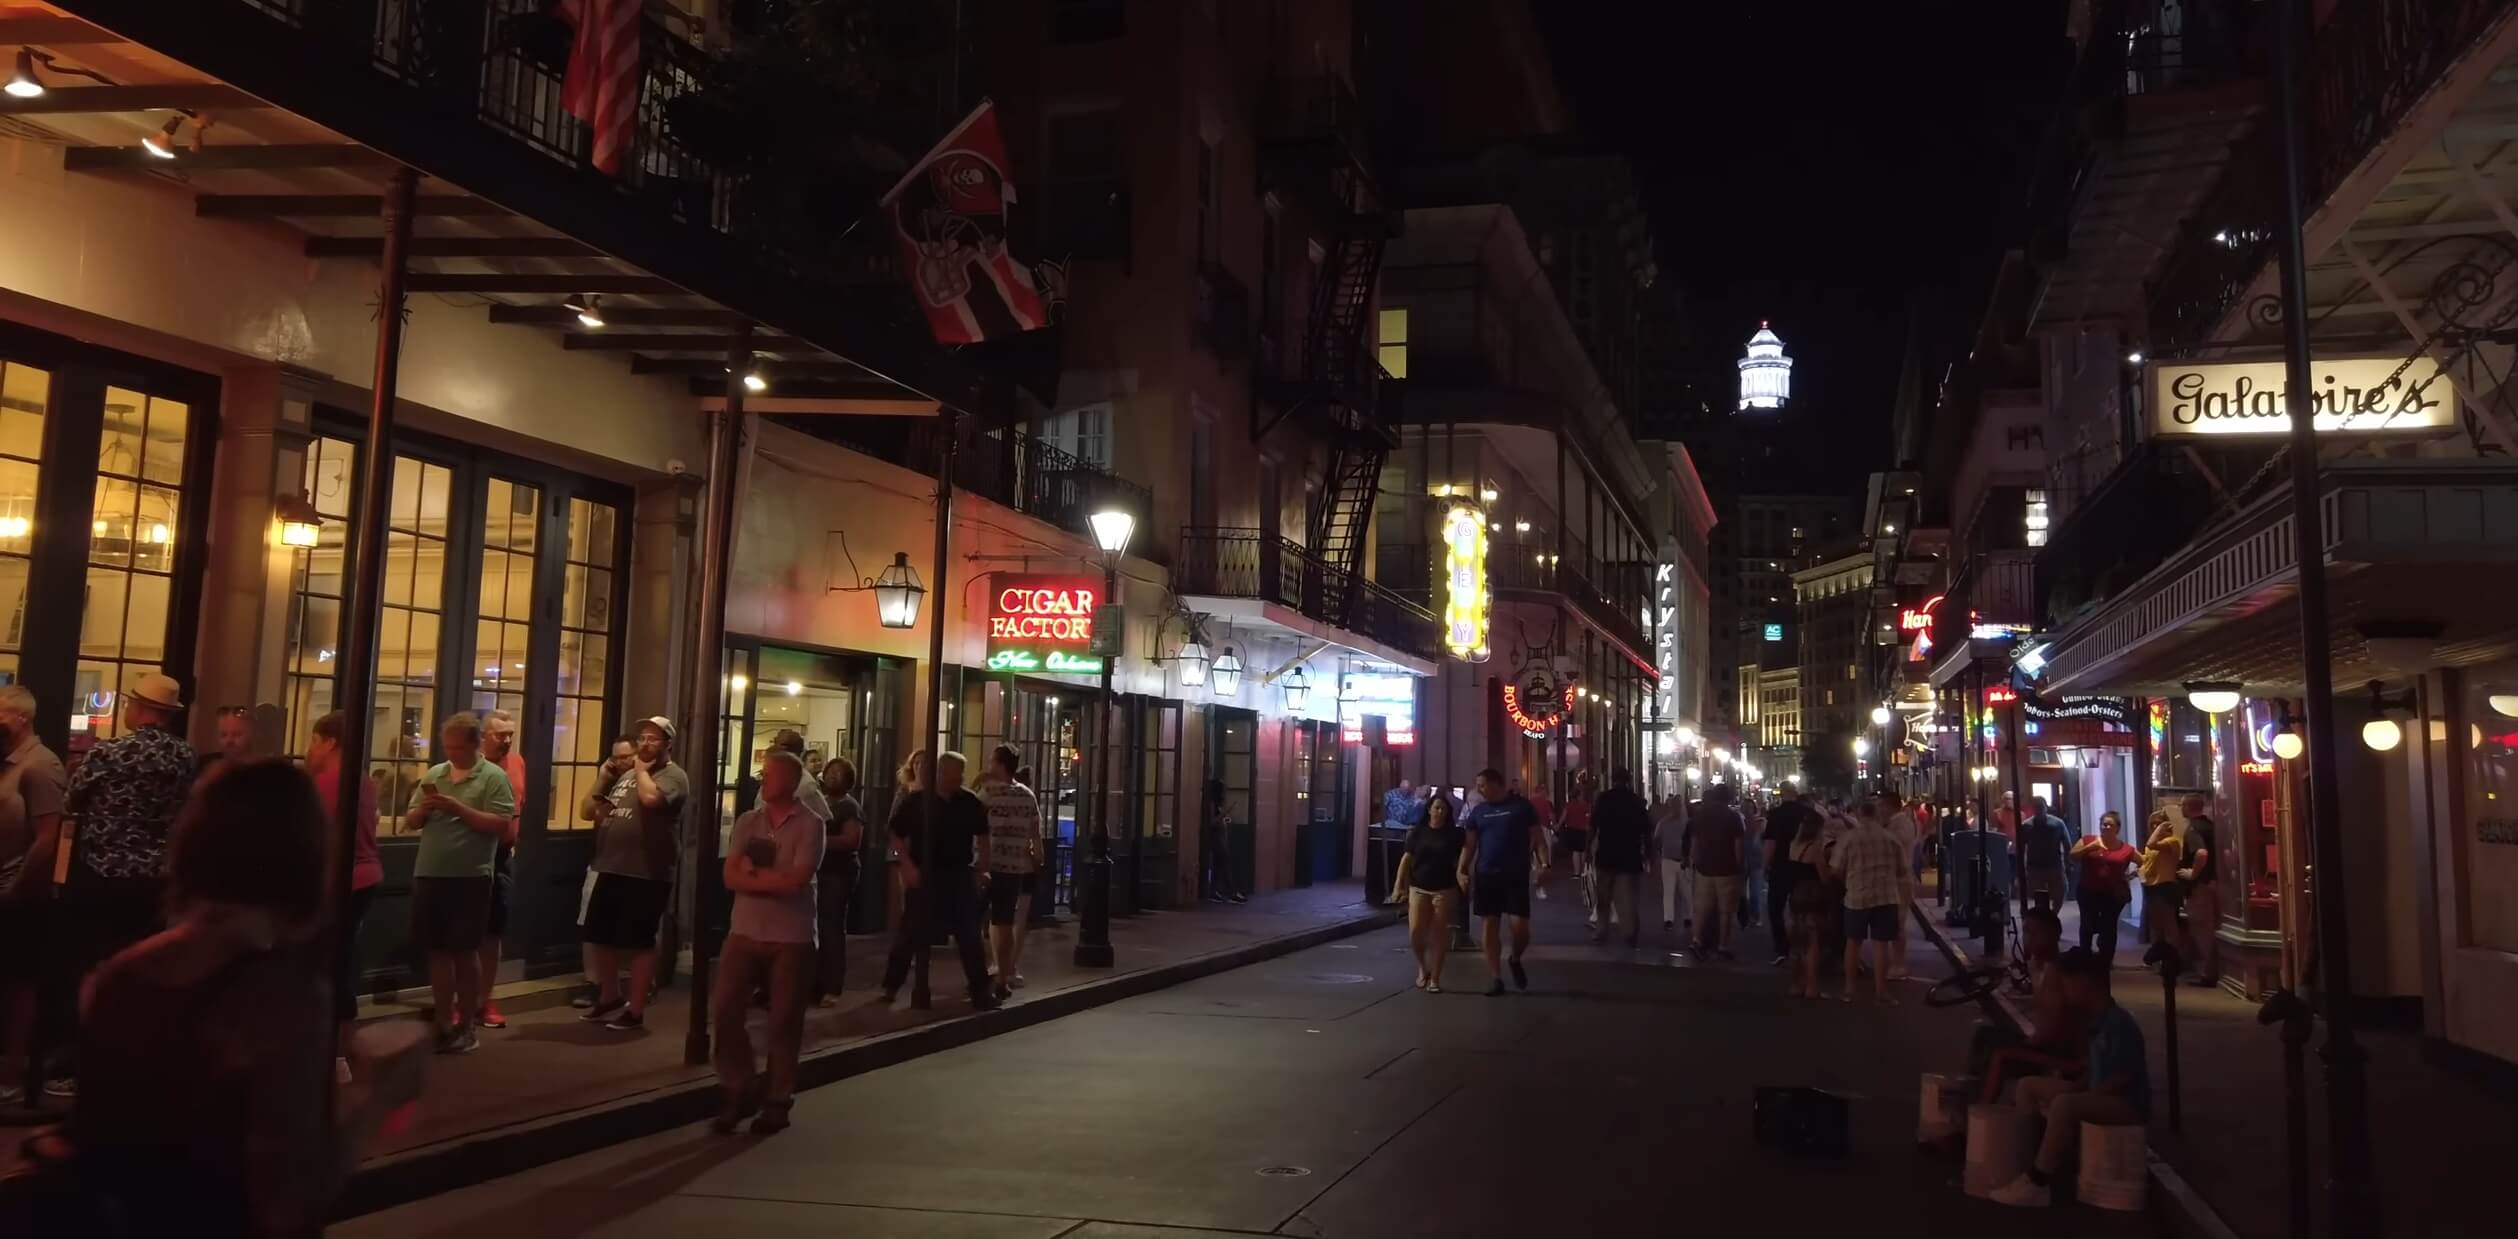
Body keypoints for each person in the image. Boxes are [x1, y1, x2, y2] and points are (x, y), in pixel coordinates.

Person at [50, 759, 423, 1236]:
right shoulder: (281, 996)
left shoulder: (122, 976)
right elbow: (288, 1195)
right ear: (305, 858)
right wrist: (375, 1095)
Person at [52, 673, 197, 1095]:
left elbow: (71, 801)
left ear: (140, 708)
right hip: (155, 881)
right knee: (146, 971)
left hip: (103, 876)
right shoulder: (185, 757)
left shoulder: (110, 753)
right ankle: (137, 1063)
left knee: (95, 970)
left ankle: (85, 1064)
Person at [711, 749, 824, 1135]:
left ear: (791, 782)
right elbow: (730, 877)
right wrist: (769, 880)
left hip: (790, 937)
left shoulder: (811, 825)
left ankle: (777, 1099)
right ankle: (738, 1085)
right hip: (743, 931)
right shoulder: (747, 821)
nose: (764, 779)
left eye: (771, 774)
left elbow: (798, 880)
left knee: (784, 1021)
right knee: (725, 1011)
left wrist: (754, 877)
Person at [1990, 948, 2151, 1207]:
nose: (2064, 992)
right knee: (2029, 1086)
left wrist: (2079, 1095)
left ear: (2085, 983)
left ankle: (2039, 1182)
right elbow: (2096, 1070)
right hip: (2101, 1093)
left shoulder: (2119, 1023)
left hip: (2126, 1103)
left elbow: (2121, 1079)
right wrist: (2076, 1086)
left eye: (2068, 984)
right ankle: (2025, 1161)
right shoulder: (2094, 1021)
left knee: (2065, 1105)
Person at [403, 712, 515, 1054]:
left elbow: (500, 824)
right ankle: (443, 1022)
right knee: (437, 952)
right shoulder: (436, 774)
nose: (451, 754)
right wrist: (423, 810)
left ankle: (467, 1023)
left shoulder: (493, 777)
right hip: (430, 872)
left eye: (457, 748)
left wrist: (457, 808)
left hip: (470, 877)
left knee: (465, 953)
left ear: (474, 744)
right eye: (446, 747)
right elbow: (410, 819)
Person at [578, 716, 687, 1032]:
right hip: (611, 865)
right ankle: (609, 995)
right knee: (599, 935)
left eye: (654, 738)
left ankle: (636, 1009)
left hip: (647, 872)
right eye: (643, 737)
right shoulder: (624, 776)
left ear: (667, 743)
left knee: (639, 941)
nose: (645, 743)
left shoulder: (673, 775)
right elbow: (588, 811)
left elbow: (651, 799)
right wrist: (602, 779)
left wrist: (640, 771)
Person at [881, 751, 997, 1009]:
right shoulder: (917, 801)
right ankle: (891, 985)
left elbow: (983, 835)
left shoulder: (969, 801)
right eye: (957, 772)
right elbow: (895, 832)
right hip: (926, 872)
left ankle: (980, 991)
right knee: (910, 931)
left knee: (968, 933)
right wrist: (907, 865)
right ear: (942, 773)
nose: (961, 778)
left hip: (958, 873)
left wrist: (982, 868)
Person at [0, 686, 66, 1105]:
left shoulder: (40, 765)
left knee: (19, 983)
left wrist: (19, 887)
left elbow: (49, 837)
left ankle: (12, 1077)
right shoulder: (7, 762)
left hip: (18, 893)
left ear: (22, 718)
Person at [307, 711, 379, 1086]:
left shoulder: (327, 784)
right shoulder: (363, 781)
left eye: (314, 740)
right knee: (344, 963)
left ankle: (330, 1056)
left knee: (326, 967)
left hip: (339, 884)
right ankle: (340, 1053)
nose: (310, 749)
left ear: (329, 742)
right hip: (366, 878)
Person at [1973, 906, 2079, 1105]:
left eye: (2034, 931)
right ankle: (1973, 1098)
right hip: (2044, 1042)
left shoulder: (2059, 970)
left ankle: (1981, 1107)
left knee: (1998, 1052)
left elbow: (2057, 1023)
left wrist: (2036, 1039)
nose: (2027, 938)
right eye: (2025, 931)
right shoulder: (2035, 966)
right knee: (1985, 1036)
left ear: (2054, 935)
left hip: (2059, 1050)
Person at [1459, 768, 1545, 996]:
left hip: (1515, 874)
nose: (1479, 789)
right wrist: (1461, 869)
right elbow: (1470, 845)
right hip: (1487, 875)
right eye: (1478, 785)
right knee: (1490, 924)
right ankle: (1496, 977)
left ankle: (1515, 957)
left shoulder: (1521, 807)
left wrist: (1544, 865)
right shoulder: (1478, 812)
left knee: (1520, 928)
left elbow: (1537, 837)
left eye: (1482, 784)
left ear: (1497, 784)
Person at [572, 737, 637, 1010]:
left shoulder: (642, 782)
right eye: (617, 757)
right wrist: (601, 779)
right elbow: (586, 811)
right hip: (600, 861)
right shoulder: (610, 782)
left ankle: (637, 981)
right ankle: (594, 983)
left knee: (632, 925)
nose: (622, 762)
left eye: (626, 756)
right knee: (591, 922)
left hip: (632, 865)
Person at [473, 708, 527, 1031]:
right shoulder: (473, 765)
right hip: (473, 854)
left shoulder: (517, 762)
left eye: (510, 734)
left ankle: (484, 1000)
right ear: (483, 737)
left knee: (493, 933)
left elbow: (521, 805)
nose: (507, 740)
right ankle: (459, 1001)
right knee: (464, 934)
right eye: (500, 734)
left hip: (503, 857)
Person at [979, 745, 1042, 1001]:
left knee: (972, 922)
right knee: (1004, 923)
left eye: (992, 761)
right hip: (1013, 867)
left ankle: (981, 976)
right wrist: (1038, 861)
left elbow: (974, 827)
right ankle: (1003, 977)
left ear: (1000, 764)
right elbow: (1035, 836)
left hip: (987, 866)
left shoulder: (987, 794)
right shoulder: (1028, 796)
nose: (988, 765)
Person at [1389, 792, 1466, 991]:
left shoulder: (1454, 834)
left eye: (1443, 809)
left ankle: (1436, 979)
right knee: (1415, 932)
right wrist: (1399, 884)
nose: (1439, 812)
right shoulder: (1417, 832)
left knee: (1438, 934)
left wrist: (1464, 876)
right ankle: (1423, 967)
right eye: (1436, 807)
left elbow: (1464, 857)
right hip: (1418, 888)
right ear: (1429, 809)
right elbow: (1406, 859)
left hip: (1444, 889)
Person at [1836, 795, 1907, 1005]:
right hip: (1886, 896)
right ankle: (1881, 991)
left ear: (1859, 814)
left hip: (1857, 895)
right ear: (1876, 815)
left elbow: (1836, 868)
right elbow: (1902, 869)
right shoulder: (1890, 838)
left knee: (1853, 943)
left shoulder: (1849, 838)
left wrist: (1850, 879)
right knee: (1881, 945)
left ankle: (1849, 990)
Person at [812, 756, 865, 1005]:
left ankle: (832, 986)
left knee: (831, 927)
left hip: (838, 872)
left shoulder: (849, 806)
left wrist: (818, 841)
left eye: (839, 773)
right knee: (816, 927)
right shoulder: (818, 800)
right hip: (818, 871)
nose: (832, 776)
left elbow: (851, 841)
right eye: (830, 771)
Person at [1587, 768, 1650, 947]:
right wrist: (1648, 854)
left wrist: (1587, 850)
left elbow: (1593, 826)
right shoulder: (1636, 801)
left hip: (1606, 854)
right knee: (1627, 898)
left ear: (1612, 779)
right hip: (1629, 856)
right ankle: (1629, 932)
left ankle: (1601, 929)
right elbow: (1646, 830)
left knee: (1603, 897)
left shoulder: (1604, 799)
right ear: (1628, 780)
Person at [2070, 811, 2140, 968]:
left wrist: (2132, 875)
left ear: (2117, 828)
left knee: (2109, 926)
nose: (2106, 827)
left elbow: (2145, 862)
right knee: (2087, 923)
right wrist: (2089, 848)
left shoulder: (2126, 849)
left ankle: (2106, 959)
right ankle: (2085, 957)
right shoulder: (2088, 840)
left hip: (2113, 893)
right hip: (2088, 890)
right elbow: (2072, 855)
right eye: (2104, 824)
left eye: (2110, 824)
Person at [1761, 782, 1819, 965]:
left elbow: (1771, 844)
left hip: (1780, 867)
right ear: (1795, 793)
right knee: (1802, 911)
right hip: (1804, 867)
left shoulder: (1776, 815)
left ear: (1782, 794)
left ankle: (1782, 948)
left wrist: (1765, 865)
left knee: (1775, 908)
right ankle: (1805, 947)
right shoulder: (1808, 814)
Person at [1686, 784, 1747, 959]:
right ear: (1728, 798)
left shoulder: (1701, 815)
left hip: (1704, 867)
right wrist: (1739, 868)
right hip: (1727, 869)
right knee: (1725, 911)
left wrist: (1694, 860)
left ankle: (1696, 940)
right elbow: (1738, 847)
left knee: (1702, 908)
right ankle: (1723, 945)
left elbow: (1694, 841)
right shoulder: (1733, 817)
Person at [1785, 803, 1833, 999]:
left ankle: (1798, 983)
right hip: (1813, 894)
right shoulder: (1815, 848)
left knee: (1798, 940)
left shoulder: (1793, 846)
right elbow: (1825, 877)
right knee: (1813, 941)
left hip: (1796, 893)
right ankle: (1812, 986)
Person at [2177, 794, 2221, 987]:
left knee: (2203, 929)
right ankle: (2213, 970)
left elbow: (2201, 853)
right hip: (2215, 883)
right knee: (2212, 926)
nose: (2180, 808)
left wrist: (2192, 874)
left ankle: (2208, 973)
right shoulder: (2211, 826)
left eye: (2182, 805)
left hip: (2201, 886)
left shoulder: (2193, 828)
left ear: (2188, 806)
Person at [2138, 808, 2184, 947]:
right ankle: (2159, 959)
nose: (2154, 827)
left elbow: (2151, 844)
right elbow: (2148, 861)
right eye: (2152, 824)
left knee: (2169, 926)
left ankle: (2173, 960)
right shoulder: (2153, 843)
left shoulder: (2172, 841)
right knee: (2155, 926)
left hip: (2165, 887)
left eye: (2157, 824)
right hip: (2151, 887)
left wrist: (2161, 828)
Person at [2017, 796, 2068, 911]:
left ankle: (2053, 914)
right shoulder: (2027, 825)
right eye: (2036, 807)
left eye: (2041, 807)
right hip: (2035, 866)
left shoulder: (2057, 824)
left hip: (2054, 864)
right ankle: (2043, 916)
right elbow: (2020, 846)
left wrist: (2068, 861)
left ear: (2046, 807)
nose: (2039, 810)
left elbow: (2066, 843)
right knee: (2038, 895)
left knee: (2059, 893)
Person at [1199, 778, 1246, 903]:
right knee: (1224, 863)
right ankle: (1231, 892)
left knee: (1218, 865)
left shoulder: (1217, 804)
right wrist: (1226, 812)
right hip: (1215, 838)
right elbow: (1212, 822)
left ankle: (1213, 891)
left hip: (1220, 836)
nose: (1225, 793)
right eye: (1224, 790)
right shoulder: (1212, 803)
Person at [1651, 792, 1691, 935]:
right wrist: (1656, 856)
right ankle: (1668, 918)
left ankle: (1688, 916)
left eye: (1677, 806)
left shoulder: (1686, 823)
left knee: (1686, 892)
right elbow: (1656, 839)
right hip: (1667, 859)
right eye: (1673, 805)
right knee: (1669, 891)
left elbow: (1691, 842)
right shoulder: (1664, 822)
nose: (1675, 808)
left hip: (1683, 861)